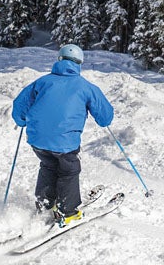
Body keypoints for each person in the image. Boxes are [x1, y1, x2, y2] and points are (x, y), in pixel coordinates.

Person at [12, 43, 114, 226]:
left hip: (38, 140)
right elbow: (105, 117)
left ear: (59, 59)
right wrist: (104, 120)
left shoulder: (42, 82)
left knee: (48, 165)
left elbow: (20, 104)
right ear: (79, 63)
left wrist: (21, 121)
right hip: (65, 142)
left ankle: (45, 205)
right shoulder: (86, 87)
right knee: (69, 170)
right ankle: (67, 211)